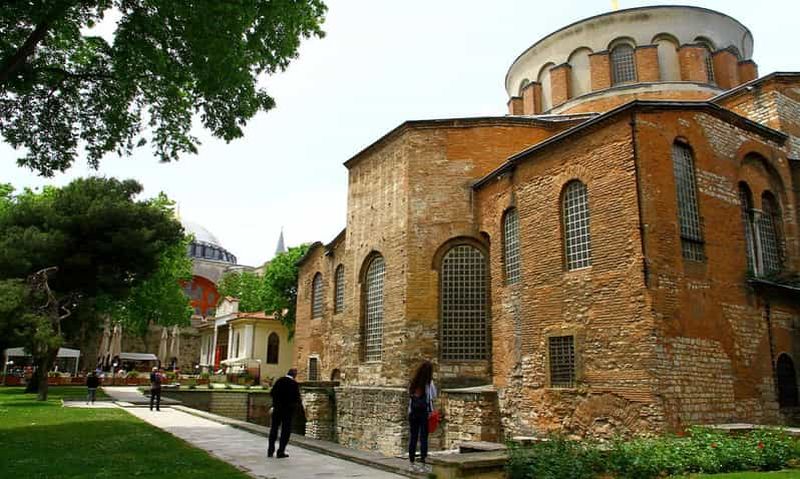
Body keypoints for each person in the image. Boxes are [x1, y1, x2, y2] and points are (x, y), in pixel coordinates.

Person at [408, 360, 437, 472]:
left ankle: (411, 463)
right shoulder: (429, 384)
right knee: (423, 438)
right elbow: (433, 396)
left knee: (413, 438)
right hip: (424, 413)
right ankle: (423, 464)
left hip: (413, 413)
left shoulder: (413, 382)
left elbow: (410, 397)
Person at [268, 368, 302, 459]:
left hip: (277, 409)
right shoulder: (294, 384)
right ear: (294, 375)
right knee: (285, 431)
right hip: (287, 411)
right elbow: (297, 398)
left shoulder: (279, 381)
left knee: (274, 429)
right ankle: (281, 451)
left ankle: (270, 451)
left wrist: (275, 403)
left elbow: (272, 393)